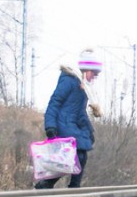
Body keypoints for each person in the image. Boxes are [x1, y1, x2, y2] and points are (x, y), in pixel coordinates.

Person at [34, 49, 103, 189]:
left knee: (79, 157)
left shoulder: (83, 87)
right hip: (62, 123)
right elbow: (55, 102)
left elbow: (80, 113)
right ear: (85, 69)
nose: (93, 77)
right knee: (73, 156)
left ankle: (65, 186)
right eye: (93, 73)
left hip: (73, 125)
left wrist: (89, 130)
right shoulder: (69, 81)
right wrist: (50, 125)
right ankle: (57, 184)